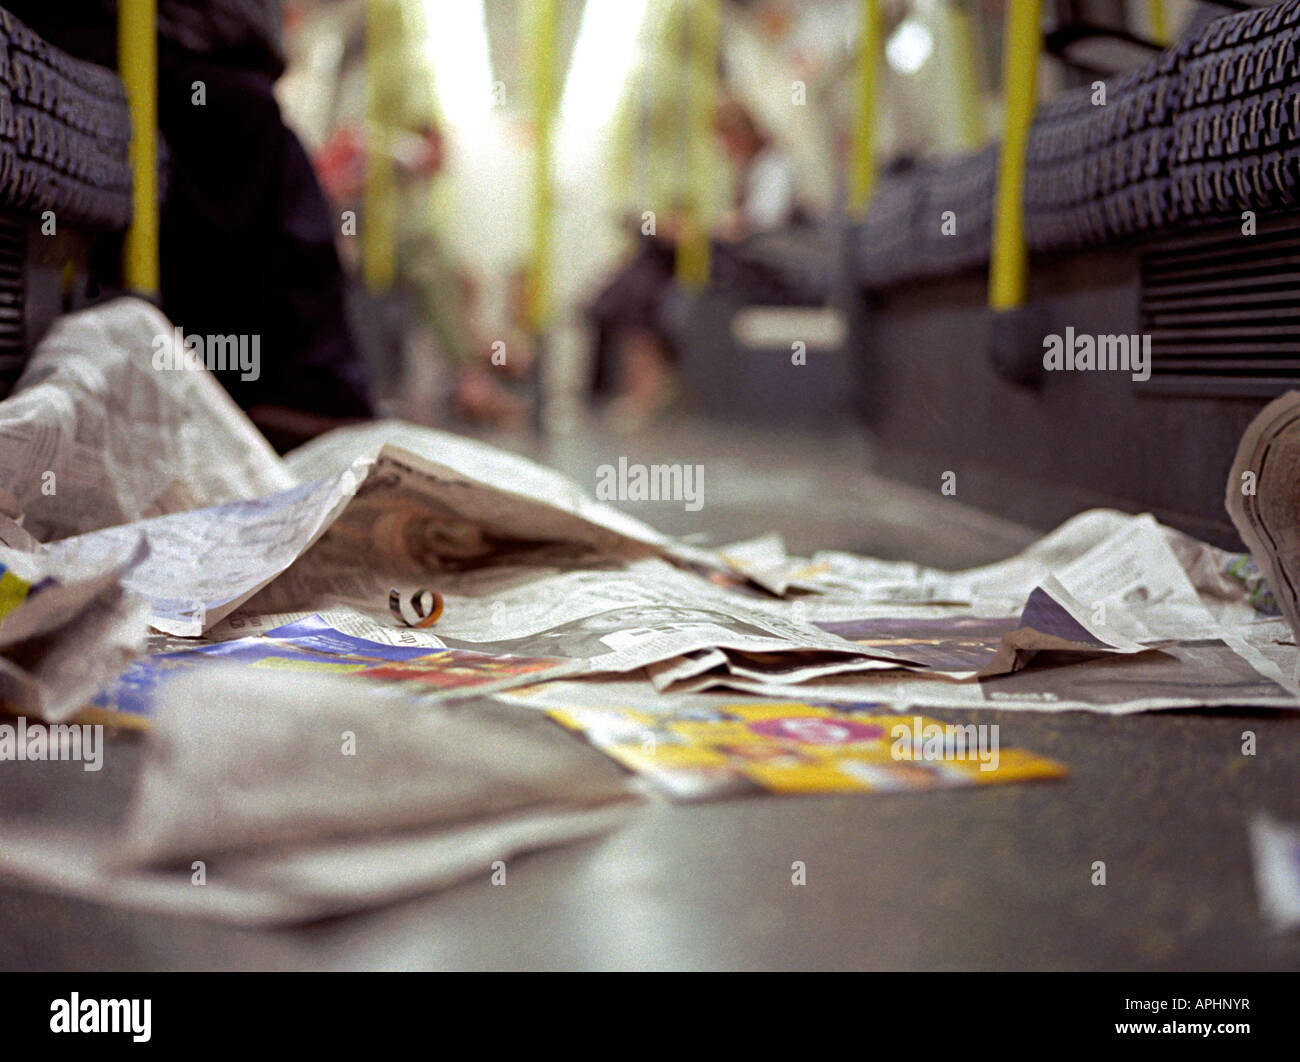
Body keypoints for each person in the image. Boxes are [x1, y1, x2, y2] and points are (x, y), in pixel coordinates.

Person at [9, 0, 376, 450]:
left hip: (157, 40)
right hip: (116, 32)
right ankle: (278, 386)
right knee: (242, 117)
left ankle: (302, 386)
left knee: (261, 131)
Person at [588, 96, 799, 429]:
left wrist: (698, 231)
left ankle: (646, 388)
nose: (720, 145)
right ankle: (645, 383)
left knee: (640, 282)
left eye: (724, 135)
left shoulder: (774, 167)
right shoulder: (738, 170)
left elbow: (758, 226)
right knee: (639, 277)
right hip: (731, 254)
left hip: (760, 266)